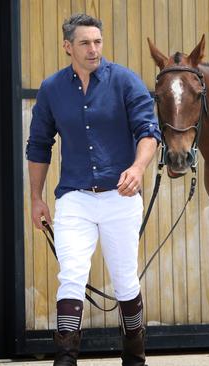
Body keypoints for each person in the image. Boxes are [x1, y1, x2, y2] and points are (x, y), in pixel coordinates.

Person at [26, 13, 160, 366]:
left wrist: (138, 167)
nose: (93, 49)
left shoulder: (125, 82)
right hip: (74, 198)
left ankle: (134, 358)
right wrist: (36, 198)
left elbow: (149, 131)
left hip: (121, 196)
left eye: (97, 41)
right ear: (68, 46)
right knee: (71, 274)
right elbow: (38, 145)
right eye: (85, 43)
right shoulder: (52, 89)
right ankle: (65, 359)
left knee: (124, 280)